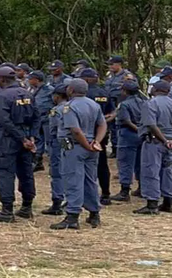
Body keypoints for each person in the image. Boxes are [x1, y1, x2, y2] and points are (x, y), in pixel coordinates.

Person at [50, 79, 106, 230]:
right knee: (90, 180)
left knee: (73, 180)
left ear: (71, 90)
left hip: (75, 147)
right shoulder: (94, 105)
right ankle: (94, 213)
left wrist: (85, 145)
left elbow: (75, 130)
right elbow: (102, 124)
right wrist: (96, 142)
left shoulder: (69, 107)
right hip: (91, 147)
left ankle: (72, 216)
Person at [0, 67, 38, 223]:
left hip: (9, 138)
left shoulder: (3, 96)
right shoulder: (28, 94)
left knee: (4, 171)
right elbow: (36, 117)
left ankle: (7, 210)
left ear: (2, 80)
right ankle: (26, 207)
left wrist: (22, 138)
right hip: (26, 136)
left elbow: (4, 121)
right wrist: (31, 137)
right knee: (26, 171)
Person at [134, 80, 172, 215]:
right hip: (170, 141)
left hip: (155, 141)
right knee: (167, 171)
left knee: (151, 171)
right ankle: (168, 201)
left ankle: (152, 203)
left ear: (155, 89)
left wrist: (164, 140)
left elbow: (152, 125)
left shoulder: (150, 104)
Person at [79, 68, 116, 206]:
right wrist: (103, 122)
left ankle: (85, 195)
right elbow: (112, 112)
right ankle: (106, 194)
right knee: (102, 164)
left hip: (84, 134)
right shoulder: (104, 92)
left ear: (86, 80)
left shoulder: (83, 94)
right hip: (101, 134)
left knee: (82, 165)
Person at [110, 81, 145, 202]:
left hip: (128, 134)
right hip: (142, 135)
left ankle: (125, 191)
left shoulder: (124, 104)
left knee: (125, 162)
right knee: (140, 162)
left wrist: (138, 130)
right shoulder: (144, 102)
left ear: (125, 91)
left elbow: (126, 121)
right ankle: (142, 187)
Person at [42, 84, 68, 216]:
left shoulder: (56, 110)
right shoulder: (72, 107)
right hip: (69, 143)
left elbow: (53, 130)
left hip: (57, 143)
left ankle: (57, 201)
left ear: (57, 96)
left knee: (56, 171)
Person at [105, 56, 135, 157]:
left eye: (112, 64)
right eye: (109, 64)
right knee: (111, 126)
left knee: (119, 125)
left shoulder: (127, 75)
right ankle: (114, 148)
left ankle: (119, 148)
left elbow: (132, 89)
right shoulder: (109, 75)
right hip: (109, 102)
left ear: (119, 64)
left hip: (120, 102)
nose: (110, 66)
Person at [28, 71, 54, 172]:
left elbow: (55, 102)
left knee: (49, 141)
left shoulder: (49, 89)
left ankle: (53, 164)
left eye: (31, 79)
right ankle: (38, 162)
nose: (29, 80)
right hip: (37, 118)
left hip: (47, 118)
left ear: (36, 79)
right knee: (38, 140)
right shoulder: (31, 89)